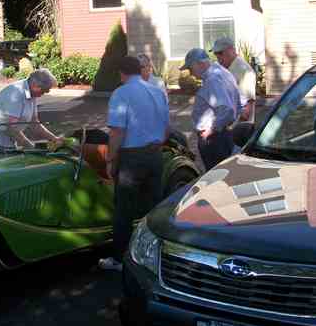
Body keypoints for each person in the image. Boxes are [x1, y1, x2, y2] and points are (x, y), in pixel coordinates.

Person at [99, 56, 170, 272]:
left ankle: (120, 259)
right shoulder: (157, 91)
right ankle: (155, 256)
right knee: (153, 207)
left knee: (124, 210)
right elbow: (166, 127)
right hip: (155, 154)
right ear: (140, 70)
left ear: (122, 73)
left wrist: (110, 159)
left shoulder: (121, 93)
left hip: (132, 158)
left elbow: (117, 132)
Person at [180, 47, 240, 172]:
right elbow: (235, 105)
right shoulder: (222, 72)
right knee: (225, 173)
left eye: (190, 68)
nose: (191, 73)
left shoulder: (213, 79)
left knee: (216, 176)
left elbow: (226, 110)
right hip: (222, 135)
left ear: (200, 64)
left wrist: (210, 130)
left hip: (214, 139)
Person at [0, 68, 60, 150]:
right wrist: (30, 146)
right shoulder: (16, 94)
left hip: (8, 140)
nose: (45, 93)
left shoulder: (31, 93)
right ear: (35, 85)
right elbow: (10, 128)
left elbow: (34, 123)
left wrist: (54, 139)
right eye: (44, 90)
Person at [211, 37, 257, 123]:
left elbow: (248, 107)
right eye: (216, 53)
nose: (218, 56)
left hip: (238, 126)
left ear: (231, 50)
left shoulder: (245, 71)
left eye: (220, 53)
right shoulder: (224, 67)